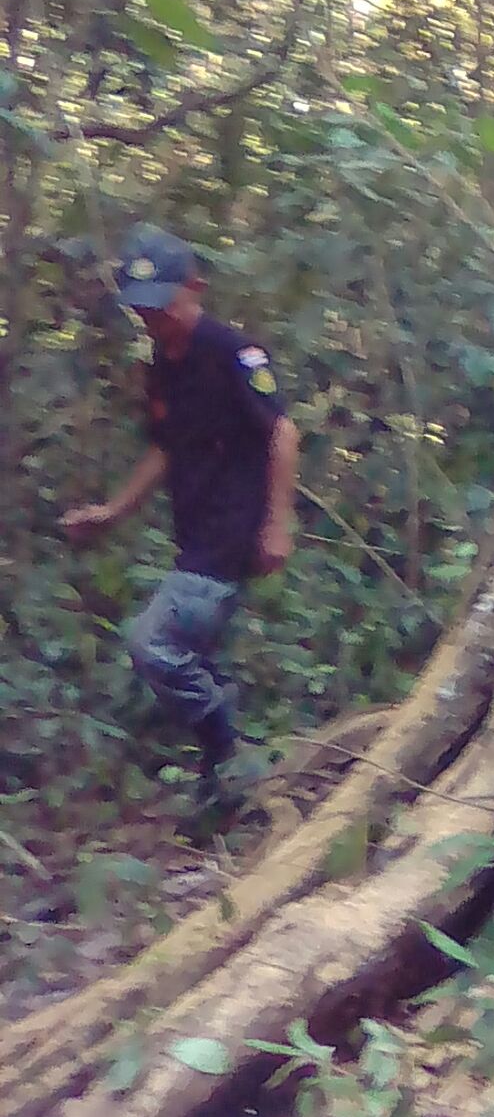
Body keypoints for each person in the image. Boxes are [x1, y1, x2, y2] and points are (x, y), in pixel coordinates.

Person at [60, 225, 298, 795]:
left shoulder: (232, 352)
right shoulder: (164, 365)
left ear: (194, 289)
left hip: (231, 529)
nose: (152, 318)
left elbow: (283, 432)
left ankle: (231, 754)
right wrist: (113, 510)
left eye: (162, 305)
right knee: (192, 653)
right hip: (194, 531)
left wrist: (277, 524)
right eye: (142, 308)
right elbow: (166, 446)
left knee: (154, 645)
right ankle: (232, 779)